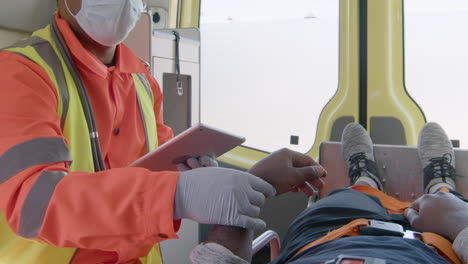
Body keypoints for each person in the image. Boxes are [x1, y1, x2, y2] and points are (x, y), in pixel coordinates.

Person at [0, 1, 326, 263]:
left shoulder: (143, 79)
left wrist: (220, 177)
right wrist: (179, 194)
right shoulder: (21, 72)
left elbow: (160, 167)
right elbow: (35, 204)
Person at [189, 122, 468, 264]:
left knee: (351, 197)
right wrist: (459, 222)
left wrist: (250, 186)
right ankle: (441, 187)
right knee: (446, 204)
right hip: (436, 248)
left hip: (327, 237)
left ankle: (366, 181)